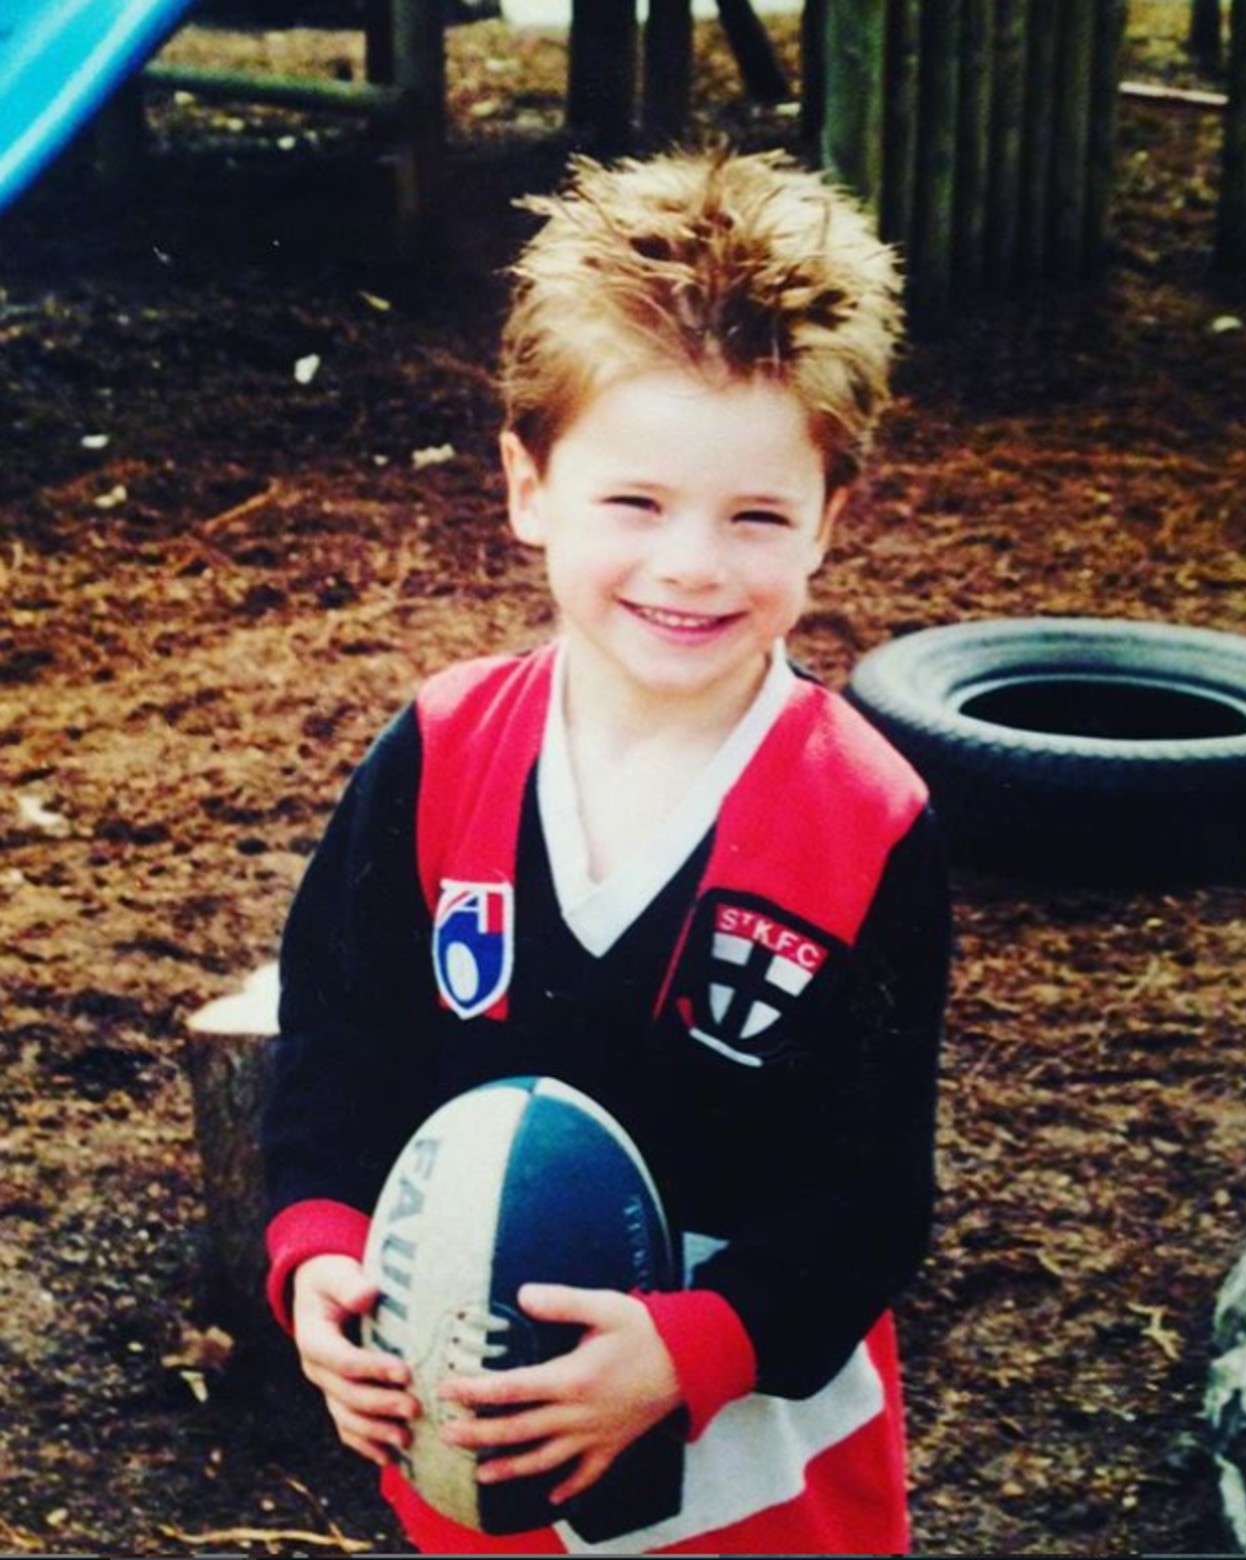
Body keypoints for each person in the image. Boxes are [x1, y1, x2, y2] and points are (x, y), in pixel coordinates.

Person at [262, 145, 951, 1556]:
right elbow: (337, 1057)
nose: (693, 564)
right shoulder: (440, 754)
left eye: (756, 514)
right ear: (530, 486)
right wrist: (319, 1247)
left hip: (753, 1488)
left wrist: (690, 1350)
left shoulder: (864, 821)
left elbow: (871, 1201)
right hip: (467, 1459)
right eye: (635, 501)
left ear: (834, 518)